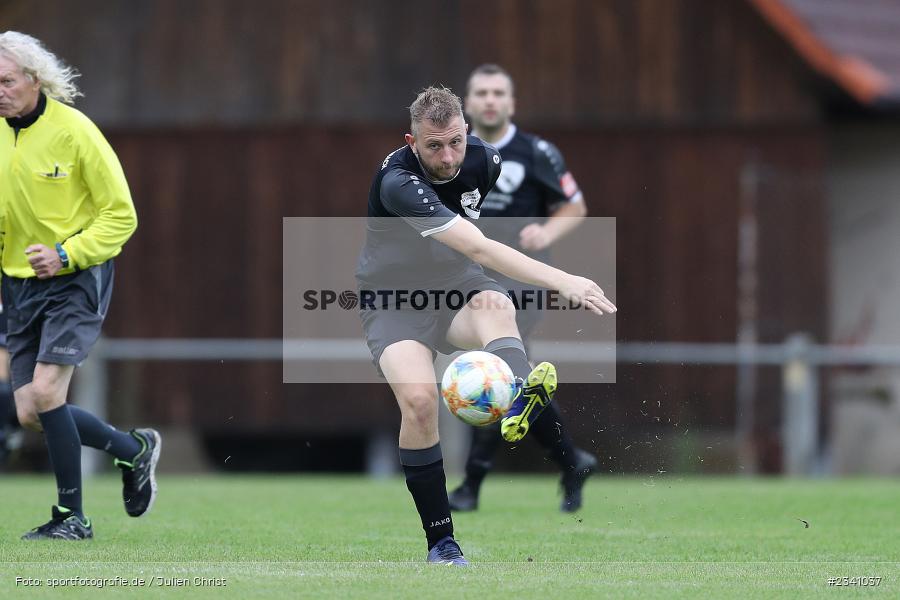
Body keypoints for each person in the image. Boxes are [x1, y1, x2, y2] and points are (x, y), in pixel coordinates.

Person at [356, 86, 615, 565]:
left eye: (455, 141)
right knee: (419, 402)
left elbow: (472, 247)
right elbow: (476, 245)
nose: (448, 156)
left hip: (453, 282)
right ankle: (441, 543)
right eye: (434, 146)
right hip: (393, 299)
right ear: (412, 141)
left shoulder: (487, 161)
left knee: (496, 303)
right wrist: (564, 280)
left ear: (467, 131)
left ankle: (516, 387)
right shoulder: (397, 182)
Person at [0, 31, 160, 540]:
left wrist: (66, 253)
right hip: (18, 285)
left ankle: (72, 517)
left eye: (6, 81)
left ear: (35, 79)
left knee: (47, 392)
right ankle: (133, 450)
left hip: (75, 277)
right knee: (30, 411)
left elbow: (121, 216)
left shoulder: (76, 131)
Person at [448, 64, 599, 514]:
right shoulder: (454, 151)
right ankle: (572, 462)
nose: (490, 100)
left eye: (499, 93)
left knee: (493, 369)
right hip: (468, 277)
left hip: (521, 280)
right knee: (516, 380)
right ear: (468, 103)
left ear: (511, 103)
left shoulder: (537, 152)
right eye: (482, 93)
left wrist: (546, 233)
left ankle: (471, 484)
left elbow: (575, 206)